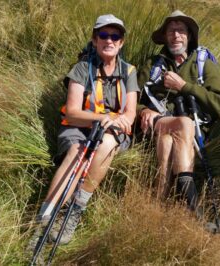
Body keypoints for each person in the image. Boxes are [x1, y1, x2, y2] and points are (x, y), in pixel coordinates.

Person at [28, 14, 139, 252]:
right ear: (94, 39)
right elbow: (73, 112)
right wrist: (104, 118)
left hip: (114, 133)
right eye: (103, 35)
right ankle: (43, 222)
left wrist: (115, 123)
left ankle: (74, 211)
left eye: (115, 36)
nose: (109, 40)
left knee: (107, 142)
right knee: (77, 153)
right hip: (79, 129)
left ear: (121, 42)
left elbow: (130, 114)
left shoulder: (129, 72)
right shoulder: (81, 69)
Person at [137, 10, 220, 216]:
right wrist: (144, 111)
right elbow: (129, 98)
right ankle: (192, 207)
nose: (176, 35)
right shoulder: (153, 65)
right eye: (171, 31)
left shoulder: (204, 64)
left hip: (193, 131)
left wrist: (184, 86)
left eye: (180, 30)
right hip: (158, 124)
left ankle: (159, 206)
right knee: (181, 125)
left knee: (169, 140)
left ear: (189, 35)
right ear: (165, 36)